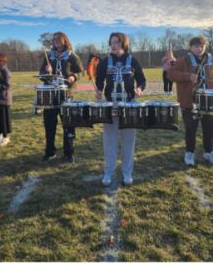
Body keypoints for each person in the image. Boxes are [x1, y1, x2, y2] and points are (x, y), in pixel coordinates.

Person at [95, 32, 146, 187]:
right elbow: (99, 79)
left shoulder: (133, 61)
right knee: (109, 140)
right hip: (110, 104)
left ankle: (127, 173)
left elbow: (142, 80)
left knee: (128, 140)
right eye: (111, 42)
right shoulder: (105, 61)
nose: (113, 45)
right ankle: (108, 172)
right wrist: (98, 90)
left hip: (129, 104)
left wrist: (139, 89)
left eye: (116, 42)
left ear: (123, 43)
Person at [165, 36, 213, 166]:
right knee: (190, 129)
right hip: (189, 101)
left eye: (202, 46)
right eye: (196, 46)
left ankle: (208, 152)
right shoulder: (182, 62)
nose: (199, 49)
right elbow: (170, 74)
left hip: (209, 101)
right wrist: (187, 76)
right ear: (191, 48)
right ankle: (190, 153)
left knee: (210, 128)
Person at [39, 32, 84, 165]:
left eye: (58, 38)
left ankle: (69, 153)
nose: (56, 41)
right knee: (49, 125)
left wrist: (74, 77)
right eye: (54, 39)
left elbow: (82, 72)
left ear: (64, 40)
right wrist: (47, 72)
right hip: (50, 94)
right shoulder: (48, 57)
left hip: (66, 94)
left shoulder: (72, 56)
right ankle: (50, 152)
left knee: (68, 125)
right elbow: (41, 75)